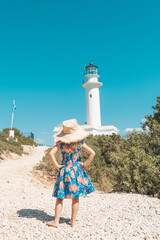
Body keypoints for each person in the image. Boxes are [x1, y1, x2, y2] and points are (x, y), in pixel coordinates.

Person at [45, 119, 95, 228]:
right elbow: (92, 153)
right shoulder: (80, 143)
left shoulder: (60, 143)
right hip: (77, 170)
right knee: (76, 197)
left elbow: (50, 154)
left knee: (60, 197)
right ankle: (73, 221)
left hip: (64, 171)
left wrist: (57, 166)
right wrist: (84, 164)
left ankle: (56, 221)